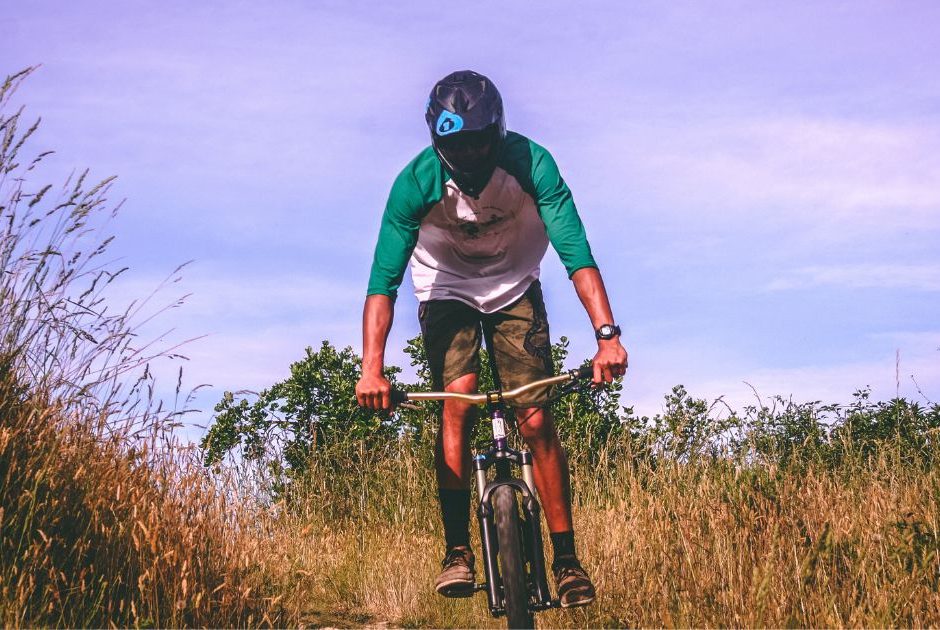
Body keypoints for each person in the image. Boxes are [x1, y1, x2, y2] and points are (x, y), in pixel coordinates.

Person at [355, 70, 627, 609]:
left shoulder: (531, 164)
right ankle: (457, 551)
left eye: (479, 139)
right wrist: (371, 369)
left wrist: (607, 337)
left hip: (514, 285)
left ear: (497, 132)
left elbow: (576, 252)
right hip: (446, 286)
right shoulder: (415, 182)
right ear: (440, 143)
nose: (471, 152)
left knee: (535, 415)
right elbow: (381, 283)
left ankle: (567, 560)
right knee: (458, 402)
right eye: (457, 143)